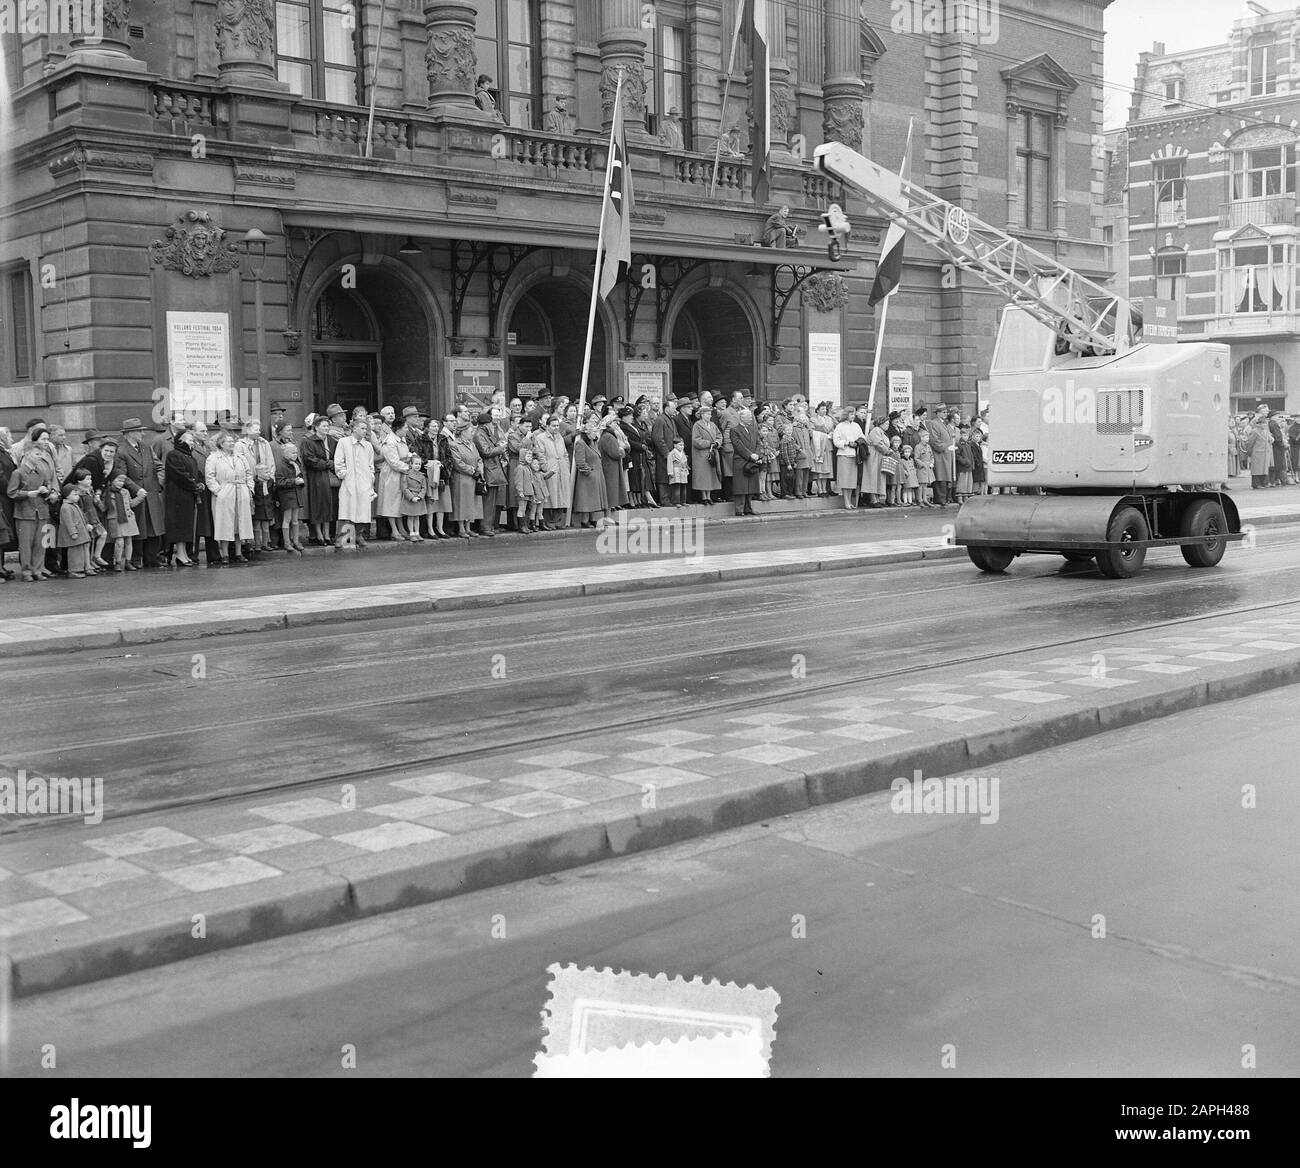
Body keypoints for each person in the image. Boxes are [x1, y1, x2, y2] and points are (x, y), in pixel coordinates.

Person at [7, 437, 58, 581]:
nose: (40, 457)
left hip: (41, 512)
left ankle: (37, 570)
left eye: (41, 454)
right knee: (25, 545)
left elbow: (47, 489)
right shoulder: (18, 473)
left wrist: (46, 491)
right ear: (27, 454)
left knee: (40, 544)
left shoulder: (41, 473)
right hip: (24, 514)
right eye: (37, 454)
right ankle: (27, 571)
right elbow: (11, 493)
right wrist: (27, 494)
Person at [118, 418, 166, 567]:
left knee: (154, 526)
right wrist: (136, 489)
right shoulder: (121, 451)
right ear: (130, 433)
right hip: (137, 494)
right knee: (139, 527)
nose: (142, 433)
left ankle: (152, 558)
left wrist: (158, 483)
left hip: (151, 492)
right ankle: (136, 558)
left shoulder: (146, 447)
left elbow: (159, 466)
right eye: (139, 431)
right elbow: (121, 475)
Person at [205, 430, 254, 565]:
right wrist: (219, 492)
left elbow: (249, 473)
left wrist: (249, 488)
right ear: (221, 444)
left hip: (241, 491)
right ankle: (225, 554)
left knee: (240, 523)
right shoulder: (214, 458)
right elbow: (210, 477)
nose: (232, 443)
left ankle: (238, 552)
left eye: (233, 441)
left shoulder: (240, 457)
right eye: (229, 441)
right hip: (225, 492)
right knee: (225, 523)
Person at [163, 429, 205, 566]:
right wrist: (194, 485)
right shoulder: (173, 455)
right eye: (190, 440)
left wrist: (200, 484)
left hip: (188, 496)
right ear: (181, 441)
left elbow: (197, 473)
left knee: (187, 526)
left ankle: (185, 554)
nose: (192, 443)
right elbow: (179, 475)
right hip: (177, 497)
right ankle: (180, 554)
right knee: (179, 526)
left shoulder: (190, 457)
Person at [334, 416, 376, 548]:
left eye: (366, 429)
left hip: (364, 482)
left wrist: (370, 478)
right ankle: (343, 538)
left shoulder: (368, 446)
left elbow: (370, 465)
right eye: (362, 428)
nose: (365, 431)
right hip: (349, 481)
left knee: (362, 509)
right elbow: (339, 461)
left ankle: (358, 535)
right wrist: (344, 474)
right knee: (347, 509)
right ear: (354, 428)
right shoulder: (343, 442)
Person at [300, 414, 338, 546]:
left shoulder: (332, 441)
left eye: (328, 425)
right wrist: (327, 464)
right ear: (316, 427)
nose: (326, 428)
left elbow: (337, 457)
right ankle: (319, 534)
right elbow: (309, 459)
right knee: (317, 505)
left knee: (329, 506)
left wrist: (333, 465)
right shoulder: (309, 441)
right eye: (323, 426)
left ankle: (327, 534)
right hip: (316, 477)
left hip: (331, 477)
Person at [474, 410, 508, 536]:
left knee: (491, 500)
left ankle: (489, 525)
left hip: (492, 469)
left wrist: (499, 445)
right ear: (484, 424)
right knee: (487, 501)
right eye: (490, 423)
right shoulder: (479, 435)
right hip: (488, 470)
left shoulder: (486, 434)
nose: (492, 425)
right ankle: (485, 526)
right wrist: (501, 448)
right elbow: (486, 452)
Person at [535, 415, 572, 529]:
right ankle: (548, 521)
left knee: (562, 495)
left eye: (557, 426)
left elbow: (565, 454)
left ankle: (558, 521)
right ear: (547, 426)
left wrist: (566, 465)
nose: (556, 428)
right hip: (551, 469)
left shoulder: (559, 437)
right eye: (554, 426)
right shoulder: (540, 438)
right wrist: (546, 468)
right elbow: (540, 454)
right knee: (550, 496)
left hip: (562, 469)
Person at [274, 427, 308, 553]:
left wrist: (300, 482)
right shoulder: (281, 466)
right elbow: (280, 482)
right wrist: (294, 481)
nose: (295, 455)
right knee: (287, 519)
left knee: (295, 520)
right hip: (287, 496)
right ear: (285, 454)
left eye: (295, 452)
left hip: (296, 494)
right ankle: (287, 542)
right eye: (293, 453)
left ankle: (296, 541)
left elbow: (301, 477)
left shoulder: (296, 465)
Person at [571, 416, 609, 528]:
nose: (595, 434)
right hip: (587, 477)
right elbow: (580, 462)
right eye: (593, 431)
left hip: (596, 475)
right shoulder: (581, 444)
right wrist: (589, 472)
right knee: (587, 500)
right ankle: (585, 520)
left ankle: (592, 519)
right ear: (587, 433)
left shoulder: (593, 443)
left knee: (594, 500)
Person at [728, 407, 763, 517]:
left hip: (752, 460)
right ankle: (739, 509)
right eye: (748, 417)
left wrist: (757, 454)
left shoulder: (753, 430)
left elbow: (758, 443)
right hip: (741, 461)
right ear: (741, 418)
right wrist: (750, 455)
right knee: (741, 486)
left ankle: (748, 508)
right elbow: (738, 446)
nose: (751, 419)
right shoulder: (734, 430)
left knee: (751, 485)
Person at [56, 482, 92, 578]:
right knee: (74, 553)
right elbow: (68, 522)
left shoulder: (73, 505)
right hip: (73, 535)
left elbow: (81, 518)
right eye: (75, 494)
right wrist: (73, 533)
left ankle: (79, 568)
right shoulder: (66, 507)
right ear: (67, 496)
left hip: (79, 533)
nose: (77, 497)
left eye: (77, 494)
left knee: (78, 552)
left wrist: (86, 525)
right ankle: (73, 570)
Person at [832, 408, 864, 510]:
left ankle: (850, 501)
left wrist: (858, 442)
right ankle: (846, 501)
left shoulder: (856, 425)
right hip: (843, 454)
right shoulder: (840, 426)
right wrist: (847, 443)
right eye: (851, 414)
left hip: (854, 455)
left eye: (854, 414)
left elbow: (862, 436)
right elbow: (836, 441)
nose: (853, 416)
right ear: (846, 415)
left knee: (851, 480)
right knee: (845, 480)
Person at [691, 405, 723, 503]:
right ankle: (704, 497)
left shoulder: (713, 425)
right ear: (702, 414)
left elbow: (719, 435)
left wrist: (717, 443)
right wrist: (709, 443)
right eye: (708, 414)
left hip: (712, 452)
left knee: (710, 475)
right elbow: (696, 440)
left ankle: (708, 496)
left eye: (710, 414)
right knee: (703, 476)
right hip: (702, 454)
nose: (710, 416)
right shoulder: (697, 425)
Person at [598, 414, 627, 510]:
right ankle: (611, 505)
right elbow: (615, 453)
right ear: (609, 424)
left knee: (612, 486)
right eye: (614, 422)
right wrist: (622, 450)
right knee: (611, 486)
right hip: (610, 465)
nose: (617, 424)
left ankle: (612, 505)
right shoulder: (609, 437)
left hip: (610, 464)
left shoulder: (607, 435)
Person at [1245, 414, 1273, 488]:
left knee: (1264, 469)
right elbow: (1250, 442)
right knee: (1257, 470)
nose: (1264, 425)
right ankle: (1256, 484)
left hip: (1265, 453)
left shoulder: (1266, 431)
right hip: (1257, 453)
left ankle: (1264, 482)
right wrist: (1249, 452)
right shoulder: (1254, 431)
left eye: (1265, 423)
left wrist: (1271, 439)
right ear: (1259, 424)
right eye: (1263, 423)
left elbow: (1271, 439)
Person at [667, 437, 689, 506]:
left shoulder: (683, 453)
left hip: (683, 471)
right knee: (676, 487)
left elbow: (685, 463)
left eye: (683, 445)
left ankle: (683, 501)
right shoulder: (671, 454)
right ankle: (676, 502)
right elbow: (669, 463)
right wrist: (670, 472)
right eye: (680, 445)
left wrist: (687, 471)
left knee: (683, 487)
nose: (682, 447)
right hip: (675, 471)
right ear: (675, 445)